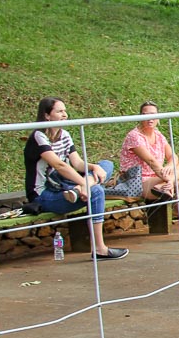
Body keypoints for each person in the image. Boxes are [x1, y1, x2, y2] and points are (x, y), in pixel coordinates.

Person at [23, 97, 129, 260]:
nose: (65, 115)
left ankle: (81, 189)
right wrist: (85, 184)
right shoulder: (39, 136)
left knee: (105, 165)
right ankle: (100, 248)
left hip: (67, 187)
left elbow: (77, 163)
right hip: (43, 195)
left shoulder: (64, 134)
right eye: (60, 111)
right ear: (47, 116)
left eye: (65, 111)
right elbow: (60, 165)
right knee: (97, 191)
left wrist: (93, 168)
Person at [117, 101, 179, 241]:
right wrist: (170, 179)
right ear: (139, 117)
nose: (149, 119)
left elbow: (173, 157)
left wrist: (170, 169)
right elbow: (152, 162)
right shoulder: (134, 136)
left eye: (153, 115)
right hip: (136, 181)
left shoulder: (158, 135)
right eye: (145, 115)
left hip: (159, 178)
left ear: (158, 117)